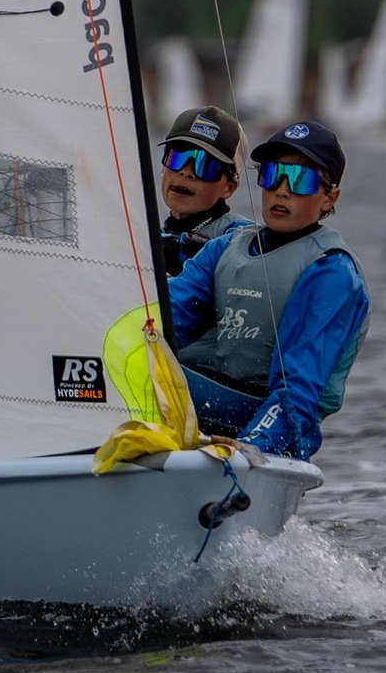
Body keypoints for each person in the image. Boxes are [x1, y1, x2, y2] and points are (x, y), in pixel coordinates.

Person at [168, 119, 369, 461]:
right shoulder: (226, 247)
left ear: (329, 197)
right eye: (273, 175)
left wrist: (251, 448)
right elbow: (162, 319)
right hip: (210, 404)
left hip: (272, 424)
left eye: (301, 180)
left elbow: (297, 390)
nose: (282, 190)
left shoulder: (332, 272)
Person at [154, 104, 247, 280]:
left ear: (229, 187)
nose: (185, 172)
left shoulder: (241, 236)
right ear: (163, 169)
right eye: (177, 157)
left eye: (205, 165)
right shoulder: (146, 239)